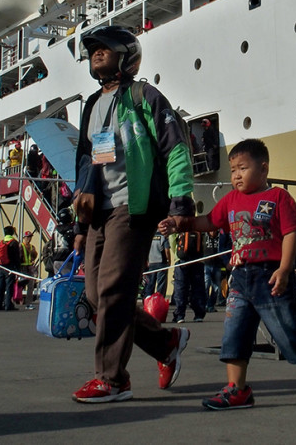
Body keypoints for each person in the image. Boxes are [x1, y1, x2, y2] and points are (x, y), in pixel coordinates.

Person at [159, 138, 296, 410]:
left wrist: (285, 269)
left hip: (270, 276)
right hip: (240, 277)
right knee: (235, 333)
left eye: (243, 168)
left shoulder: (278, 197)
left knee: (287, 332)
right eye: (233, 170)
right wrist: (180, 224)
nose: (236, 175)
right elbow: (209, 222)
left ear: (263, 169)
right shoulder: (230, 200)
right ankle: (237, 389)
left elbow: (291, 232)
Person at [69, 25, 194, 403]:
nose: (96, 53)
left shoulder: (145, 96)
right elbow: (86, 163)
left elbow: (175, 149)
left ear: (126, 55)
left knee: (113, 291)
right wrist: (78, 223)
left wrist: (180, 201)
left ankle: (112, 378)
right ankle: (166, 341)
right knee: (96, 296)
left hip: (132, 208)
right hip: (98, 214)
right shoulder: (91, 106)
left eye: (103, 48)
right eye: (92, 50)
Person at [172, 229, 207, 323]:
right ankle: (199, 314)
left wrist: (177, 254)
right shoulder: (197, 224)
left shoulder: (179, 224)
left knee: (181, 288)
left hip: (181, 260)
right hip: (197, 260)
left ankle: (180, 315)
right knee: (198, 287)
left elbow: (172, 240)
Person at [0, 226, 21, 311]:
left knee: (0, 287)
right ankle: (8, 305)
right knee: (9, 287)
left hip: (0, 267)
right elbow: (16, 257)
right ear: (12, 233)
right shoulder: (14, 243)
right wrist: (18, 268)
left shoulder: (0, 242)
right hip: (10, 267)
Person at [142, 230, 170, 299]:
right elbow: (167, 250)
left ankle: (148, 301)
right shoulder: (163, 236)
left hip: (151, 263)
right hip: (161, 263)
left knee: (150, 284)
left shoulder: (150, 236)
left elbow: (145, 249)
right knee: (161, 285)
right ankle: (159, 300)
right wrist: (169, 260)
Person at [20, 231, 39, 309]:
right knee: (19, 285)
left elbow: (35, 255)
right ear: (24, 238)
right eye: (27, 237)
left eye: (30, 237)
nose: (29, 239)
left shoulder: (32, 247)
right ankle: (15, 300)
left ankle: (28, 303)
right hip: (21, 268)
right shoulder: (20, 246)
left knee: (30, 286)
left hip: (30, 268)